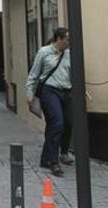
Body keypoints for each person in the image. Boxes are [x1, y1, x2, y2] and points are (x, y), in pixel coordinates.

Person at [26, 27, 73, 177]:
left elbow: (71, 73)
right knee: (57, 122)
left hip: (66, 92)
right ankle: (54, 162)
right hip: (49, 91)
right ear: (59, 39)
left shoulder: (68, 54)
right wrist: (30, 93)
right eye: (67, 39)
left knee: (67, 123)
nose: (69, 42)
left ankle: (47, 157)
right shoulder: (44, 52)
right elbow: (34, 74)